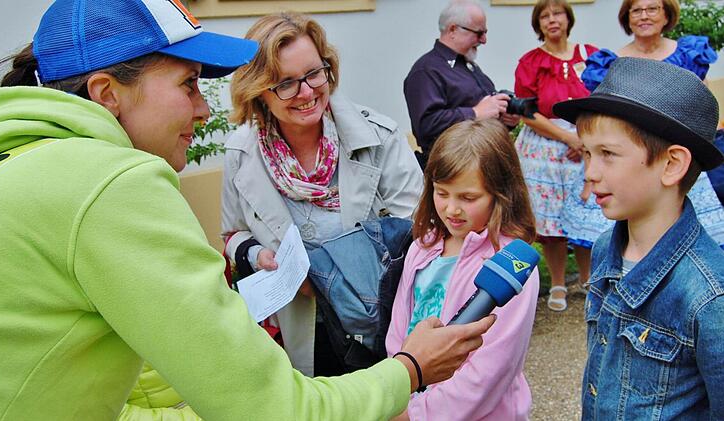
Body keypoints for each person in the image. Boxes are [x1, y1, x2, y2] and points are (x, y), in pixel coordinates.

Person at [0, 1, 496, 419]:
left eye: (314, 74)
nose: (203, 108)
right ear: (107, 93)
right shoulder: (115, 182)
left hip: (371, 317)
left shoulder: (13, 158)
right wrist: (410, 370)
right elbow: (274, 407)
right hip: (307, 334)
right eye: (188, 84)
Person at [221, 12, 424, 377]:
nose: (307, 92)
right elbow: (233, 235)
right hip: (299, 326)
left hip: (380, 320)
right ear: (259, 92)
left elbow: (420, 231)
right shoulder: (241, 154)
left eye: (314, 73)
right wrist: (256, 254)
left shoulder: (378, 137)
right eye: (285, 83)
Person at [554, 57, 724, 420]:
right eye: (586, 153)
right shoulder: (604, 249)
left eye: (608, 155)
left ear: (672, 164)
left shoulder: (710, 296)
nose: (590, 172)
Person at [386, 119, 539, 421]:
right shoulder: (422, 247)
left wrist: (418, 415)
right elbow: (399, 327)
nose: (452, 209)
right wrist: (397, 385)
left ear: (501, 193)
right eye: (442, 193)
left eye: (468, 198)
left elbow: (491, 369)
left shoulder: (511, 265)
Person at [578, 0, 724, 248]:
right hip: (636, 167)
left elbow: (702, 105)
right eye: (636, 10)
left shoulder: (688, 54)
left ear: (666, 15)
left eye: (652, 9)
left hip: (679, 162)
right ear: (627, 18)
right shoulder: (612, 64)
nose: (644, 16)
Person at [514, 0, 597, 312]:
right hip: (544, 148)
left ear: (568, 18)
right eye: (544, 16)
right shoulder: (530, 61)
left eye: (557, 13)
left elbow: (602, 98)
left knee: (586, 216)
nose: (552, 20)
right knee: (551, 224)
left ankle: (588, 278)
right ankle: (559, 281)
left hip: (587, 143)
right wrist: (566, 136)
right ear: (538, 24)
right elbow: (525, 110)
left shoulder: (590, 54)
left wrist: (584, 138)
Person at [403, 0, 520, 168]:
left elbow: (484, 114)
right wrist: (475, 112)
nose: (484, 40)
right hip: (454, 168)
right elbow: (426, 127)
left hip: (482, 162)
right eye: (479, 33)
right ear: (453, 30)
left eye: (485, 33)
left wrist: (505, 119)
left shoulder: (467, 65)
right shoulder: (426, 71)